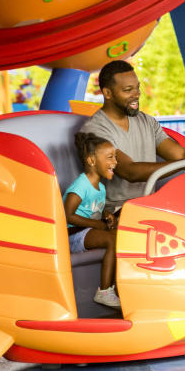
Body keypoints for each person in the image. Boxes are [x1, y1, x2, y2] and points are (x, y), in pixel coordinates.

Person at [80, 60, 185, 213]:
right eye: (128, 90)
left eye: (137, 88)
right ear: (107, 93)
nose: (136, 94)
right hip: (115, 211)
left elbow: (181, 154)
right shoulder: (95, 130)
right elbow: (129, 171)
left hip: (149, 206)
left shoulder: (146, 121)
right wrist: (182, 164)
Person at [63, 132, 120, 309]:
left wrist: (106, 214)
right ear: (91, 161)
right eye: (110, 157)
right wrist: (98, 225)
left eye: (115, 157)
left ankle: (119, 286)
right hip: (72, 235)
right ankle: (104, 292)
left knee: (122, 235)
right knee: (112, 239)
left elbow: (94, 209)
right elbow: (68, 214)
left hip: (86, 232)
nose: (115, 162)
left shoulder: (100, 187)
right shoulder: (81, 184)